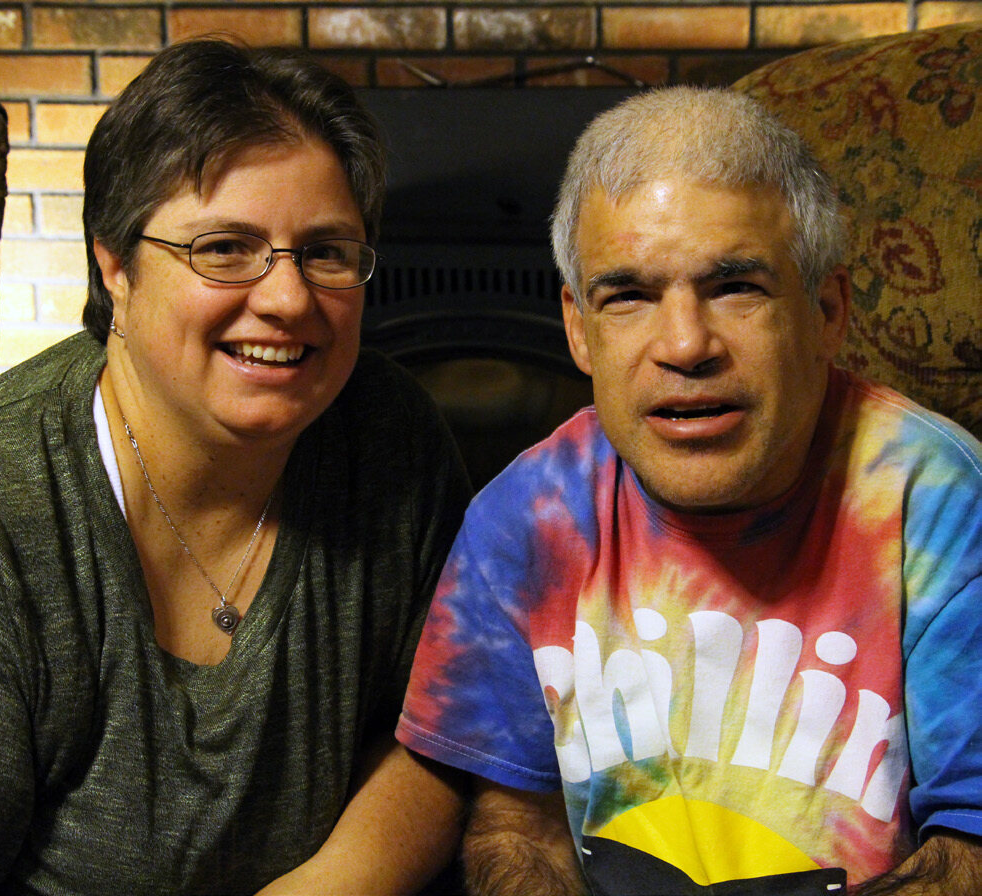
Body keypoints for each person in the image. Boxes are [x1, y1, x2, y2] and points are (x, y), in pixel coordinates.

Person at [0, 39, 473, 895]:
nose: (290, 298)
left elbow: (446, 730)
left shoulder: (390, 436)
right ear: (116, 264)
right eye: (225, 247)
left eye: (327, 251)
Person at [396, 86, 982, 895]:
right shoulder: (524, 520)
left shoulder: (939, 503)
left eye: (736, 287)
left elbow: (972, 848)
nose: (684, 345)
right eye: (629, 296)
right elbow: (516, 829)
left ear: (827, 311)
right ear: (577, 327)